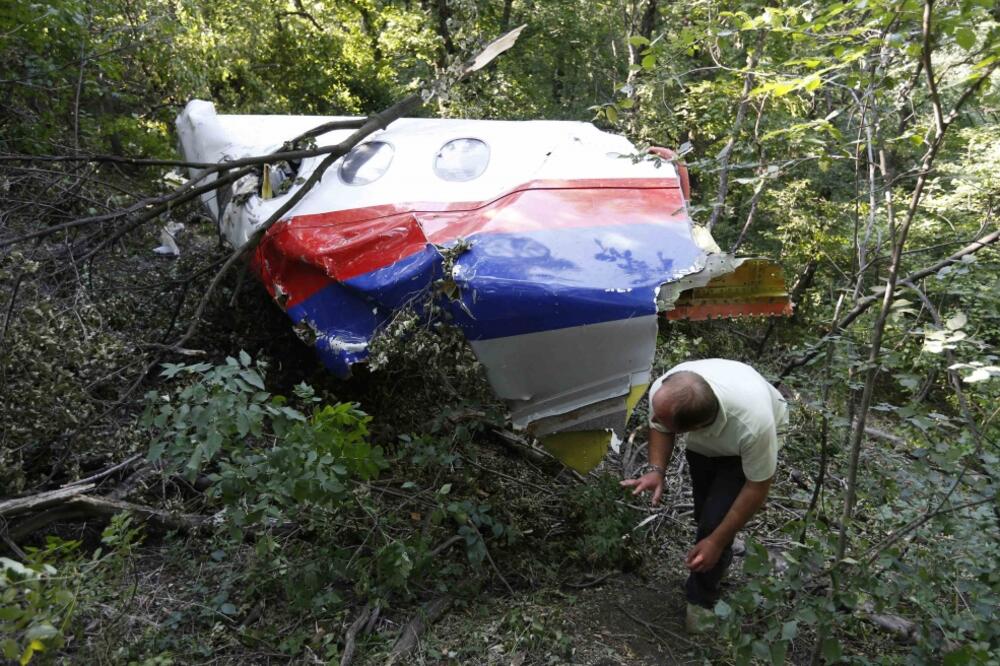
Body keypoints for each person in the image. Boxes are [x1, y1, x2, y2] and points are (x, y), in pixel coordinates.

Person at [621, 359, 788, 633]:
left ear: (693, 428)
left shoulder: (755, 426)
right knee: (705, 513)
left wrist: (716, 540)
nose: (653, 419)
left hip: (742, 442)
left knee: (714, 527)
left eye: (664, 420)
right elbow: (659, 426)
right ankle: (714, 545)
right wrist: (656, 470)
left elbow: (757, 488)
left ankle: (701, 600)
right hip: (708, 441)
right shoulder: (667, 392)